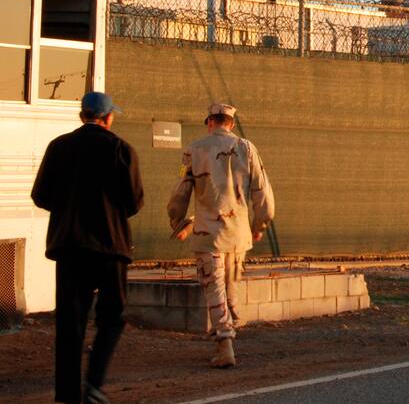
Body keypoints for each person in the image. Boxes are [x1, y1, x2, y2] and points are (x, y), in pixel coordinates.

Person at [31, 91, 144, 404]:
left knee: (70, 321)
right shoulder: (122, 149)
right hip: (111, 248)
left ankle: (67, 394)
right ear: (107, 117)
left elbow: (41, 195)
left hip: (69, 247)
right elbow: (134, 201)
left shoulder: (59, 147)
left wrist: (68, 209)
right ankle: (94, 384)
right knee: (111, 316)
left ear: (82, 115)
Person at [168, 103, 275, 369]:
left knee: (214, 288)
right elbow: (263, 194)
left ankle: (225, 344)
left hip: (208, 234)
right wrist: (259, 225)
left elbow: (180, 190)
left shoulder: (194, 150)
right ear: (231, 123)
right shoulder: (248, 149)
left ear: (210, 122)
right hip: (238, 235)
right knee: (230, 285)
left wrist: (176, 218)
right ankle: (231, 324)